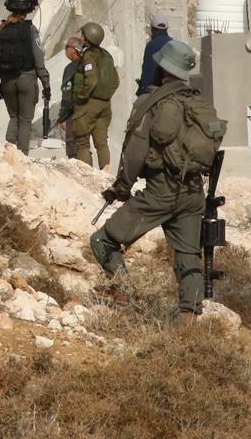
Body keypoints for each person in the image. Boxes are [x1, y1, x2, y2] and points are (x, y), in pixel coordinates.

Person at [88, 36, 224, 324]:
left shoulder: (152, 102)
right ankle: (189, 320)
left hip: (161, 190)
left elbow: (135, 151)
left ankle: (127, 299)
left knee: (103, 241)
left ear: (162, 67)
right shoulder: (197, 102)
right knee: (189, 256)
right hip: (192, 192)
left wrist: (122, 187)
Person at [0, 0, 48, 154]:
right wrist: (46, 83)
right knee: (25, 120)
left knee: (14, 117)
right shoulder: (31, 30)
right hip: (26, 78)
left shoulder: (0, 29)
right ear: (28, 9)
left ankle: (9, 151)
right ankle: (21, 156)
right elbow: (38, 59)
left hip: (6, 80)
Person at [68, 21, 119, 170]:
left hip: (88, 104)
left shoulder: (88, 56)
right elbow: (116, 81)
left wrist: (82, 96)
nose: (81, 37)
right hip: (105, 105)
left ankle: (86, 175)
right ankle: (105, 173)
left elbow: (91, 80)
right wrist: (106, 95)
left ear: (88, 38)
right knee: (102, 142)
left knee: (82, 141)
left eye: (83, 34)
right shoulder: (107, 55)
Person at [53, 36, 84, 161]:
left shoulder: (71, 68)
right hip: (89, 110)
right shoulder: (88, 63)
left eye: (67, 47)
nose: (65, 50)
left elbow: (67, 93)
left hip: (74, 110)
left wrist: (63, 117)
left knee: (72, 144)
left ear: (74, 50)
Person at [135, 15, 173, 96]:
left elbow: (148, 71)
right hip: (172, 89)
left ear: (153, 29)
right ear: (166, 29)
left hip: (156, 91)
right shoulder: (173, 43)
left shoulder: (152, 45)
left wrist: (142, 90)